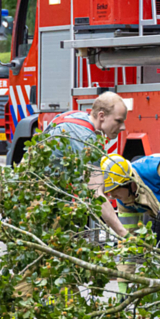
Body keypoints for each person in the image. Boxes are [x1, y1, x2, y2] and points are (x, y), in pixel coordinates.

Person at [38, 92, 129, 236]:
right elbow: (96, 195)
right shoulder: (86, 139)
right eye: (118, 121)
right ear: (101, 116)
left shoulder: (74, 116)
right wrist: (124, 234)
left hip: (36, 192)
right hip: (43, 200)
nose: (123, 127)